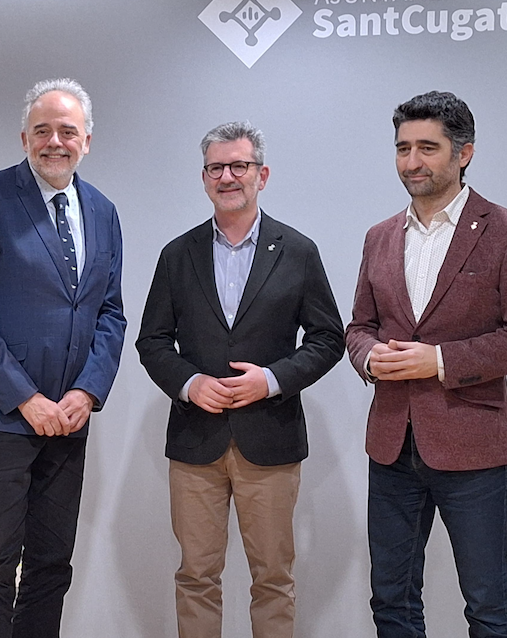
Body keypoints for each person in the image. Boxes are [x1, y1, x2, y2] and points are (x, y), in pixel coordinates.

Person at [345, 91, 507, 638]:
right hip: (391, 447)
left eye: (427, 148)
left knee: (487, 608)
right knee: (391, 601)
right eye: (402, 148)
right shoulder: (379, 236)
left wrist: (437, 360)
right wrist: (370, 359)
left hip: (475, 450)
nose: (412, 161)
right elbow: (359, 327)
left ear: (464, 153)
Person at [137, 121, 344, 637]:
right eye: (216, 168)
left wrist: (271, 380)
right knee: (195, 576)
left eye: (239, 166)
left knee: (273, 578)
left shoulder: (298, 251)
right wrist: (190, 384)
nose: (227, 176)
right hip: (196, 441)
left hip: (270, 439)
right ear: (204, 177)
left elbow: (328, 338)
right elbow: (152, 341)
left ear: (261, 175)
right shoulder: (177, 254)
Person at [0, 78, 126, 638]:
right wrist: (27, 399)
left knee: (51, 562)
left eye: (67, 131)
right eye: (42, 131)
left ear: (87, 141)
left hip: (68, 417)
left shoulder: (103, 211)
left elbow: (110, 313)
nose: (54, 142)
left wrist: (86, 392)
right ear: (24, 138)